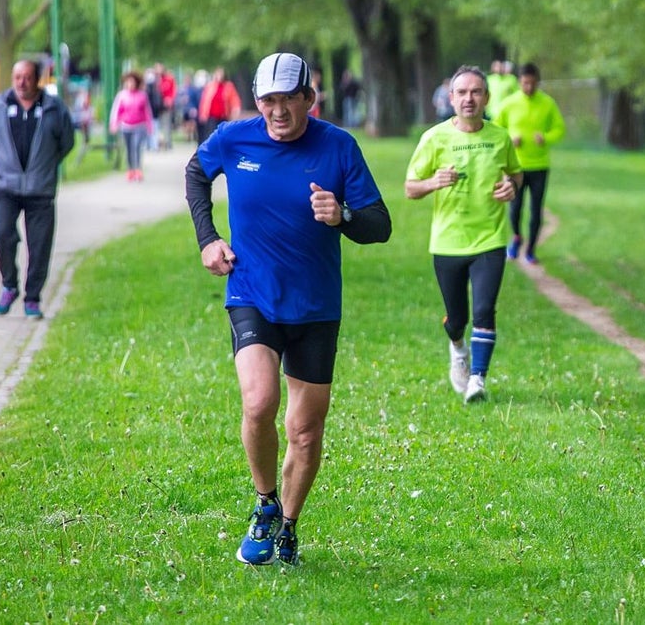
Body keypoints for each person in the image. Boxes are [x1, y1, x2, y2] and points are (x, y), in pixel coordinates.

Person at [185, 51, 391, 566]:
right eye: (268, 101)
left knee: (305, 429)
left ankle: (289, 526)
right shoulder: (234, 139)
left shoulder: (338, 146)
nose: (278, 111)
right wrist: (208, 239)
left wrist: (342, 215)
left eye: (288, 100)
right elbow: (195, 173)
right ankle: (264, 503)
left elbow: (380, 224)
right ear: (257, 101)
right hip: (252, 293)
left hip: (316, 306)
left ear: (309, 99)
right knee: (259, 403)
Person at [405, 65, 521, 403]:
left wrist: (511, 187)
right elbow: (410, 188)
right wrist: (434, 182)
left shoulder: (499, 137)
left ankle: (477, 380)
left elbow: (516, 174)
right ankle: (458, 349)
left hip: (490, 238)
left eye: (476, 92)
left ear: (486, 98)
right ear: (451, 98)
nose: (469, 98)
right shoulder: (434, 138)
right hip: (448, 241)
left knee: (485, 310)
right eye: (462, 92)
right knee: (457, 319)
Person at [0, 59, 76, 319]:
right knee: (2, 234)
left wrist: (45, 164)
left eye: (27, 78)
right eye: (17, 77)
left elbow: (66, 142)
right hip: (6, 186)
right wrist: (5, 164)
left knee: (40, 245)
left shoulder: (54, 109)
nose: (22, 83)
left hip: (40, 188)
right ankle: (9, 285)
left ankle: (32, 297)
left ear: (37, 80)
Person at [493, 62, 566, 264]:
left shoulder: (548, 103)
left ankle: (531, 250)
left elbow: (559, 129)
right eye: (525, 83)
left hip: (539, 166)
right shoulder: (509, 103)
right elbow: (496, 128)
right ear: (519, 82)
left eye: (533, 83)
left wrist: (546, 137)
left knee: (536, 209)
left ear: (538, 82)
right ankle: (517, 237)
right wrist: (510, 138)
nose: (529, 87)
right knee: (515, 208)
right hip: (515, 166)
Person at [109, 70, 155, 182]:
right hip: (126, 126)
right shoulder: (122, 96)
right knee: (129, 148)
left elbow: (147, 112)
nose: (130, 84)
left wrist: (150, 126)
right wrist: (114, 124)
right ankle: (130, 169)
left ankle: (138, 169)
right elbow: (116, 111)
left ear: (136, 83)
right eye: (128, 82)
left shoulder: (142, 95)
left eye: (132, 82)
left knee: (137, 146)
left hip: (139, 126)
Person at [197, 66, 241, 145]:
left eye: (221, 73)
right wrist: (202, 113)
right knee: (211, 135)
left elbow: (234, 100)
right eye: (217, 73)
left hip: (223, 116)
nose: (219, 76)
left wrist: (235, 110)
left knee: (222, 135)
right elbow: (204, 100)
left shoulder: (228, 86)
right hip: (211, 116)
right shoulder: (210, 86)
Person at [154, 62, 177, 151]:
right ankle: (158, 143)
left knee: (167, 124)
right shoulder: (154, 79)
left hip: (166, 105)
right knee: (157, 125)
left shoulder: (169, 78)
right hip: (156, 106)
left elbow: (173, 90)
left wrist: (170, 99)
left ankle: (167, 143)